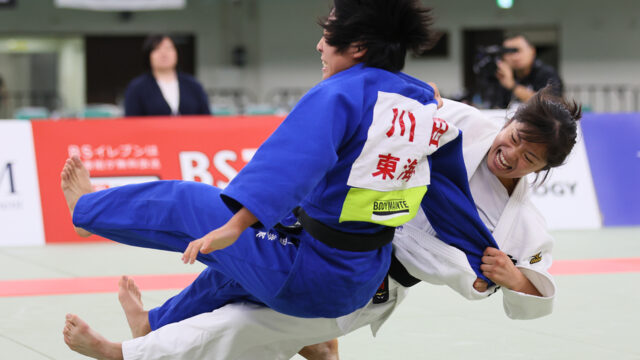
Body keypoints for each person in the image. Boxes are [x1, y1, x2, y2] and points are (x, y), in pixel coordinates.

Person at [62, 0, 501, 345]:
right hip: (366, 276)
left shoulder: (339, 95)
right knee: (236, 266)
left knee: (185, 201)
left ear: (358, 46)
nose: (319, 46)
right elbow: (448, 193)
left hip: (313, 278)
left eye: (327, 35)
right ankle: (152, 325)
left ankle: (86, 212)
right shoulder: (423, 101)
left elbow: (290, 167)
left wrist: (234, 224)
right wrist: (483, 254)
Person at [62, 88, 582, 360]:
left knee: (247, 325)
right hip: (340, 228)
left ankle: (128, 352)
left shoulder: (525, 228)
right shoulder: (469, 125)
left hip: (374, 279)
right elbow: (409, 110)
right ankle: (154, 324)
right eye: (513, 137)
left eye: (529, 157)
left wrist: (514, 280)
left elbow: (535, 291)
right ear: (509, 119)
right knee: (233, 266)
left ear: (544, 170)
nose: (509, 154)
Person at [123, 34, 210, 116]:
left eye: (168, 48)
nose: (163, 54)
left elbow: (207, 119)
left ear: (176, 53)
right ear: (148, 55)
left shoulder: (193, 85)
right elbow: (131, 122)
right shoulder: (136, 88)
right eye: (157, 49)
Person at [493, 34, 564, 108]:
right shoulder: (502, 76)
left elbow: (551, 103)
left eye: (518, 50)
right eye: (509, 52)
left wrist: (513, 86)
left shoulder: (547, 74)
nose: (515, 57)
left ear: (532, 51)